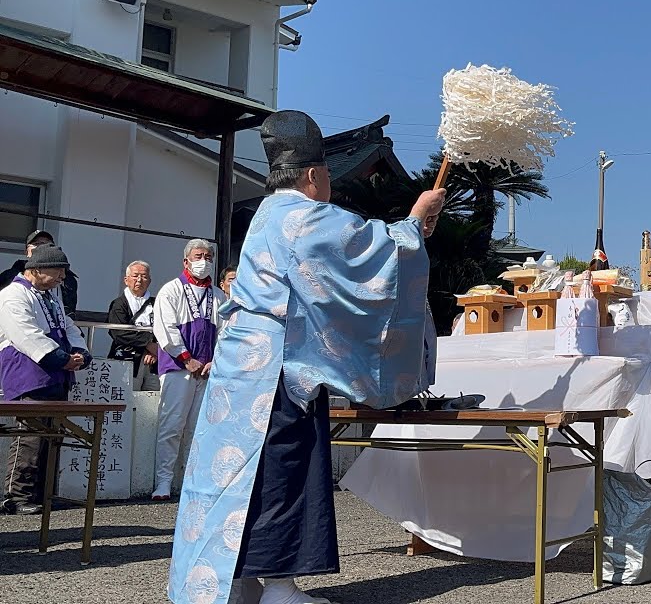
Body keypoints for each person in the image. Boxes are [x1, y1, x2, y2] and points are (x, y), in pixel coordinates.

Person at [168, 111, 445, 604]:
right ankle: (277, 586)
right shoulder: (301, 215)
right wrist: (417, 222)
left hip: (241, 365)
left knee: (237, 475)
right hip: (277, 366)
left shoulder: (266, 214)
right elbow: (371, 254)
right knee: (281, 468)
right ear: (314, 175)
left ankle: (238, 579)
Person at [0, 245, 89, 515]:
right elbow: (26, 335)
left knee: (53, 434)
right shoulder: (13, 294)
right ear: (36, 269)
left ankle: (44, 493)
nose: (63, 276)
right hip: (29, 371)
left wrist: (80, 352)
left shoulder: (50, 296)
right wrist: (61, 358)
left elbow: (68, 326)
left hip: (55, 371)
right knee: (31, 435)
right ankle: (16, 496)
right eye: (58, 270)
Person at [151, 239, 225, 501]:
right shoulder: (171, 290)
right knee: (172, 426)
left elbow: (226, 333)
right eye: (197, 256)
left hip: (206, 370)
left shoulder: (218, 295)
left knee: (197, 429)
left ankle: (190, 481)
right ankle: (163, 481)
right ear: (186, 261)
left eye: (207, 256)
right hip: (177, 368)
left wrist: (214, 360)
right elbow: (164, 329)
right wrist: (186, 358)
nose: (202, 260)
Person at [0, 230, 80, 316]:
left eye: (47, 244)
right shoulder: (9, 277)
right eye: (36, 244)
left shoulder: (68, 279)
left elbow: (69, 314)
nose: (42, 248)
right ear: (26, 252)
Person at [107, 260, 159, 387]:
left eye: (144, 276)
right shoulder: (119, 304)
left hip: (153, 361)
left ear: (150, 281)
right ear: (126, 280)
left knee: (152, 399)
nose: (139, 280)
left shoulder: (158, 303)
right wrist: (148, 344)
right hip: (126, 359)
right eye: (135, 276)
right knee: (127, 398)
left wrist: (155, 350)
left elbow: (165, 328)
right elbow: (118, 332)